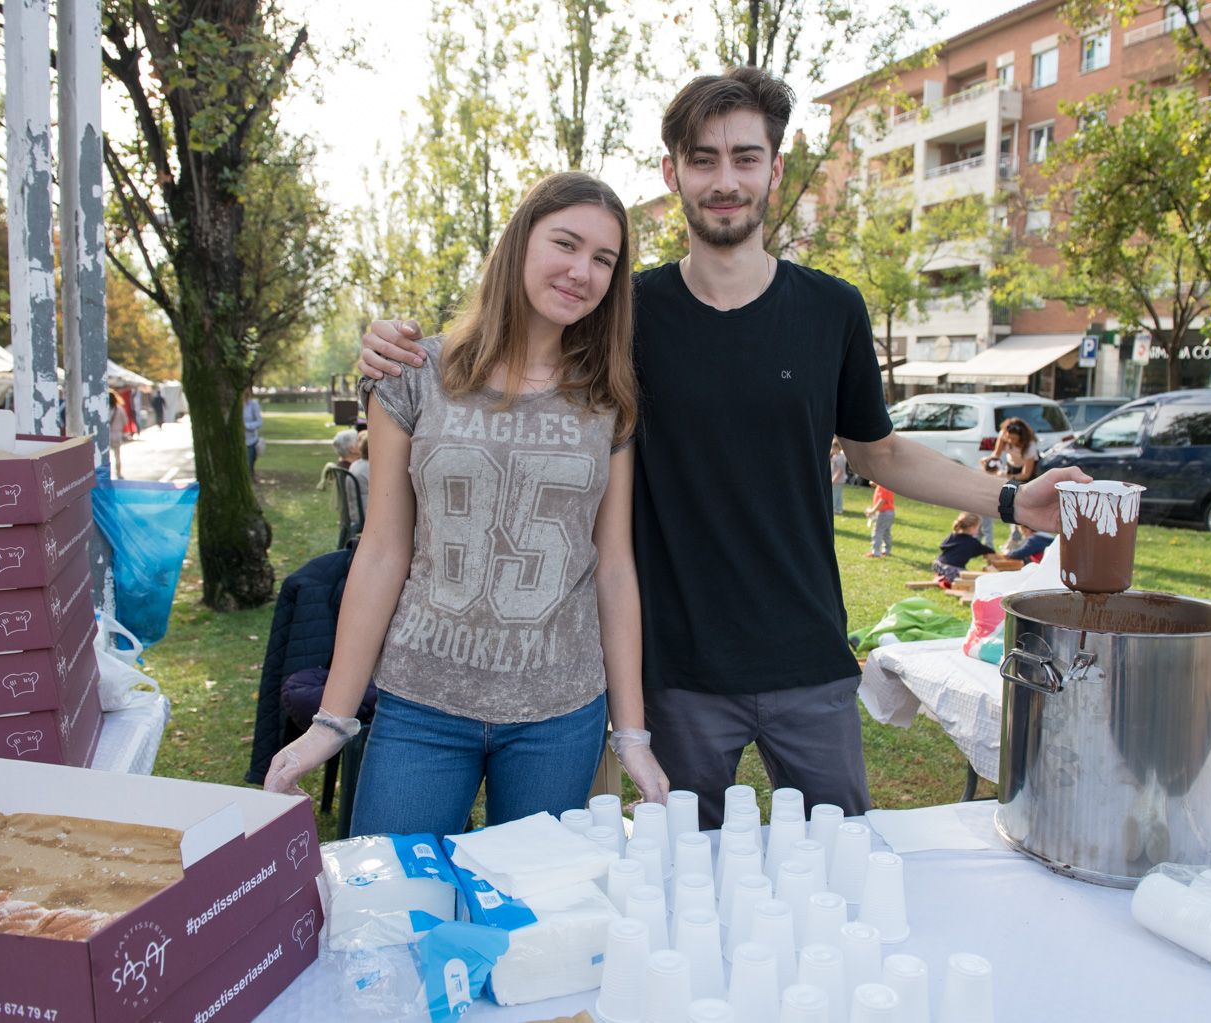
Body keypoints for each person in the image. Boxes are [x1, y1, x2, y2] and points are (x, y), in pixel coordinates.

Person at [358, 68, 1089, 829]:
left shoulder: (831, 309)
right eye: (702, 159)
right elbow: (516, 340)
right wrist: (398, 346)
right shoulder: (620, 314)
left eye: (745, 157)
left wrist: (1008, 498)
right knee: (677, 893)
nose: (725, 179)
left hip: (808, 660)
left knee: (838, 877)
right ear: (671, 172)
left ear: (775, 170)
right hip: (674, 673)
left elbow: (879, 452)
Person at [264, 172, 667, 837]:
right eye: (565, 243)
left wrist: (631, 734)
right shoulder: (414, 373)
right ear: (519, 243)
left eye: (603, 259)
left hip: (557, 713)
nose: (581, 271)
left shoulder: (607, 397)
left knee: (530, 919)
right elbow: (383, 549)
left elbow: (613, 567)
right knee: (393, 906)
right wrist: (332, 720)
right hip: (421, 702)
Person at [982, 417, 1039, 549]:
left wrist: (1008, 476)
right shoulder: (1004, 435)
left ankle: (1019, 539)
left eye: (1014, 439)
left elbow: (1026, 474)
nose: (1011, 441)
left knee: (1019, 505)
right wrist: (989, 462)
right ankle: (1014, 539)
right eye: (1009, 438)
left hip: (1025, 471)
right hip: (1011, 466)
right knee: (1009, 502)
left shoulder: (1029, 446)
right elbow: (996, 454)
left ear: (1021, 437)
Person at [934, 513, 996, 585]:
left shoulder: (952, 535)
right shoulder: (973, 542)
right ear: (972, 528)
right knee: (973, 579)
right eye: (978, 527)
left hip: (938, 565)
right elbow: (988, 550)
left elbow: (942, 546)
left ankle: (942, 577)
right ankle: (947, 580)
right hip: (953, 570)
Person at [866, 482, 895, 558]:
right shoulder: (888, 485)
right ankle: (887, 550)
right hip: (890, 512)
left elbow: (882, 501)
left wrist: (872, 511)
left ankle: (875, 552)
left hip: (884, 513)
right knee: (886, 532)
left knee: (877, 532)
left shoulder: (882, 486)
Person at [243, 389, 264, 477]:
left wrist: (246, 426)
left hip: (250, 440)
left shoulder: (253, 404)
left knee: (249, 464)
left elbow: (259, 422)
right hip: (236, 440)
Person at [107, 391, 127, 479]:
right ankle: (118, 473)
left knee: (106, 457)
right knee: (117, 455)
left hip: (107, 435)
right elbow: (125, 421)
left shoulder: (104, 410)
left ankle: (107, 474)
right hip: (117, 434)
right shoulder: (120, 409)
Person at [830, 438, 847, 515]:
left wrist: (834, 479)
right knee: (838, 495)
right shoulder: (835, 456)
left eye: (832, 447)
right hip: (838, 480)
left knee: (835, 495)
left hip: (837, 480)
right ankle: (839, 509)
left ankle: (834, 509)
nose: (831, 449)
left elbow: (840, 470)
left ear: (836, 448)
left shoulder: (840, 457)